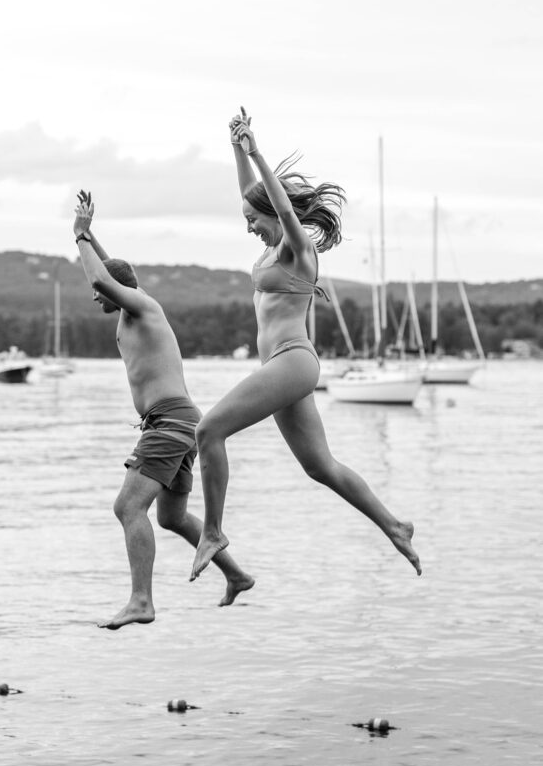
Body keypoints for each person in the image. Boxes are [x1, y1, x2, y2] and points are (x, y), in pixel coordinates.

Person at [191, 111, 421, 580]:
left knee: (208, 431)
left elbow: (281, 209)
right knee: (320, 467)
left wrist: (257, 152)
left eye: (254, 220)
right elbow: (252, 197)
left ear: (275, 215)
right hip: (282, 368)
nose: (249, 226)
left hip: (293, 362)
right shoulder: (270, 247)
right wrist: (236, 148)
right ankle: (395, 526)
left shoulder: (299, 250)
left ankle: (212, 531)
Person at [73, 190, 255, 629]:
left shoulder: (141, 307)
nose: (96, 298)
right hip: (176, 422)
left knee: (127, 508)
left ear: (121, 290)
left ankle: (141, 601)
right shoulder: (131, 309)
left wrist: (78, 236)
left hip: (170, 422)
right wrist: (92, 235)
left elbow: (104, 280)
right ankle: (236, 574)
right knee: (170, 516)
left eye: (102, 293)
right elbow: (112, 271)